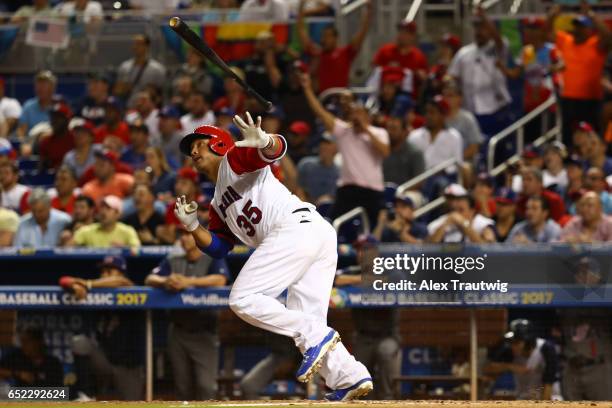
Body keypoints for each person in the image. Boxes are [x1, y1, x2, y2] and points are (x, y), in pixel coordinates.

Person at [173, 114, 373, 400]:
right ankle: (350, 378)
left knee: (243, 299)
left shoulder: (233, 159)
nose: (193, 152)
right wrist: (193, 226)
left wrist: (265, 141)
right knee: (307, 320)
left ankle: (318, 338)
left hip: (294, 229)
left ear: (218, 144)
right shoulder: (217, 202)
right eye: (191, 149)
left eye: (200, 145)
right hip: (312, 234)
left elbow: (274, 150)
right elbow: (219, 247)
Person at [145, 231, 230, 399]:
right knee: (182, 388)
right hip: (178, 331)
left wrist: (188, 282)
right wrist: (166, 281)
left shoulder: (212, 257)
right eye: (181, 235)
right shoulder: (173, 259)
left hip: (204, 331)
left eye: (187, 235)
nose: (183, 238)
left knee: (206, 387)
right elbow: (150, 279)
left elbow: (220, 279)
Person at [302, 73, 389, 227]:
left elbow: (385, 152)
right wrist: (307, 89)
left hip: (373, 190)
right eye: (354, 113)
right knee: (332, 224)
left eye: (360, 113)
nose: (356, 116)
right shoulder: (344, 131)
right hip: (349, 188)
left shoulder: (378, 132)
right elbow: (320, 112)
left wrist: (366, 130)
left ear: (368, 115)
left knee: (377, 227)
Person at [60, 255, 144, 400]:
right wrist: (75, 286)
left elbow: (121, 281)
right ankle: (86, 395)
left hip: (129, 368)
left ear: (121, 272)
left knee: (132, 403)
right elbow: (63, 280)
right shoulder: (96, 291)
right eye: (103, 271)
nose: (105, 274)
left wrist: (86, 284)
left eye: (110, 271)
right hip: (105, 362)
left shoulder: (130, 288)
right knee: (80, 342)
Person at [334, 235, 401, 400]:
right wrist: (361, 280)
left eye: (365, 250)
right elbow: (335, 278)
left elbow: (391, 280)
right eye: (358, 250)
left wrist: (358, 282)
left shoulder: (390, 271)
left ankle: (388, 400)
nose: (360, 254)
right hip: (363, 337)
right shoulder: (352, 271)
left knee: (386, 352)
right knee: (356, 379)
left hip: (387, 336)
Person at [548, 2, 611, 145]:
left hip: (591, 99)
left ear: (590, 30)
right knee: (568, 136)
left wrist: (592, 16)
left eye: (582, 27)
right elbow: (547, 34)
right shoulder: (566, 41)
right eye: (576, 26)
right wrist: (552, 16)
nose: (578, 30)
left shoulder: (595, 44)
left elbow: (608, 36)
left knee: (591, 134)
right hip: (568, 98)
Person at [448, 8, 512, 138]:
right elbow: (452, 76)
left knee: (498, 146)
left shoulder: (497, 47)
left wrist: (485, 18)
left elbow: (498, 40)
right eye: (477, 28)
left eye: (483, 28)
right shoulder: (464, 53)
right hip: (471, 108)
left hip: (496, 108)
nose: (479, 32)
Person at [297, 0, 372, 92]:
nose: (324, 39)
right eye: (323, 36)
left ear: (336, 38)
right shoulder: (317, 53)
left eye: (328, 36)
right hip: (322, 98)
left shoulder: (345, 53)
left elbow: (362, 34)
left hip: (341, 98)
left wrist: (368, 12)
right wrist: (301, 6)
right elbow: (301, 31)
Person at [484, 319, 558, 400]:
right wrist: (509, 366)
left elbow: (549, 381)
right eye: (511, 342)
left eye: (516, 342)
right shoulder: (510, 351)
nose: (513, 346)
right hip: (523, 400)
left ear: (528, 342)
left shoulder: (546, 348)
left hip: (549, 399)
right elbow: (487, 369)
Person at [373, 20, 428, 98]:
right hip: (383, 97)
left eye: (405, 33)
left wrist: (419, 74)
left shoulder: (418, 56)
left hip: (408, 99)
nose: (401, 35)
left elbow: (424, 78)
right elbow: (375, 71)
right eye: (400, 32)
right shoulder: (386, 50)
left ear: (413, 36)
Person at [114, 34, 166, 106]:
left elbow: (162, 94)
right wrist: (125, 87)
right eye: (135, 43)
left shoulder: (157, 69)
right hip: (129, 106)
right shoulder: (125, 66)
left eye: (139, 44)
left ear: (147, 46)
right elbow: (117, 91)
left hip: (148, 108)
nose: (135, 46)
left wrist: (151, 92)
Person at [72, 195, 140, 247]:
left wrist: (125, 249)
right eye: (102, 207)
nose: (103, 212)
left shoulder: (128, 231)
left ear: (118, 214)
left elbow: (137, 252)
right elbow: (68, 249)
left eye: (108, 208)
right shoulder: (86, 230)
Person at [427, 192, 496, 243]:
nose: (456, 213)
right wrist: (445, 225)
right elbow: (428, 248)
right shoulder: (448, 220)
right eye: (454, 209)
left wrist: (464, 224)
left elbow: (488, 248)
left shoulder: (482, 223)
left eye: (461, 210)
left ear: (472, 211)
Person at [442, 80, 484, 163]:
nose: (446, 99)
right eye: (444, 96)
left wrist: (453, 161)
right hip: (440, 162)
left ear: (459, 98)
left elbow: (474, 148)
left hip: (463, 162)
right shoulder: (439, 117)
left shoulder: (467, 118)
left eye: (450, 96)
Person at [241, 31, 284, 104]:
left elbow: (276, 82)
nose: (265, 45)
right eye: (262, 42)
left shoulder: (278, 61)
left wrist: (269, 52)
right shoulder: (246, 62)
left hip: (270, 102)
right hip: (249, 100)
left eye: (268, 42)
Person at [297, 133, 339, 205]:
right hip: (306, 209)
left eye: (327, 143)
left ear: (336, 148)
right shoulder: (306, 164)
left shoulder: (340, 173)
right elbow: (298, 189)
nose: (323, 146)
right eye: (322, 143)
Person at [383, 115, 425, 186]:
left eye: (394, 129)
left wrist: (400, 191)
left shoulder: (415, 153)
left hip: (405, 193)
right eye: (388, 128)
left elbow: (419, 182)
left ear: (404, 132)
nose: (389, 132)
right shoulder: (381, 149)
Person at [17, 70, 57, 139]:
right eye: (39, 83)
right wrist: (23, 143)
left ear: (52, 87)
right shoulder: (28, 106)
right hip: (31, 145)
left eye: (45, 84)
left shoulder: (59, 106)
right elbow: (21, 131)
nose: (40, 87)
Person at [39, 100, 75, 170]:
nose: (54, 121)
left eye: (58, 118)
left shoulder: (76, 140)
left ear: (67, 120)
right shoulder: (46, 142)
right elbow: (42, 171)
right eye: (52, 117)